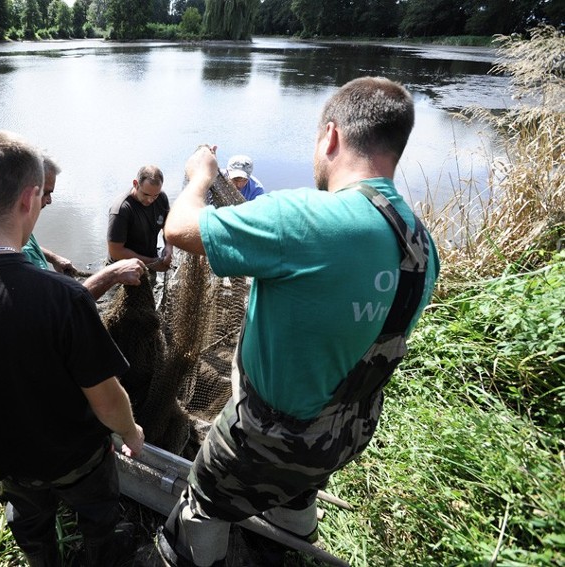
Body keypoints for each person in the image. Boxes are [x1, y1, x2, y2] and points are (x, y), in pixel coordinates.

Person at [155, 77, 440, 567]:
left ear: (331, 136)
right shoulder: (420, 242)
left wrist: (201, 175)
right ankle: (287, 547)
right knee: (299, 488)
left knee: (202, 499)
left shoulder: (303, 217)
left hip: (264, 437)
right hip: (346, 432)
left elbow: (178, 229)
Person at [0, 130, 145, 567]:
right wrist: (129, 432)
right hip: (78, 460)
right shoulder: (61, 297)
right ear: (30, 198)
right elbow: (106, 397)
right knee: (98, 518)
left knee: (30, 527)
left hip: (6, 462)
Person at [24, 153, 145, 299]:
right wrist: (112, 275)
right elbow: (62, 311)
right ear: (26, 192)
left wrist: (54, 258)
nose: (49, 201)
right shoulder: (18, 264)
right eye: (45, 193)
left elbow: (29, 243)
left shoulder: (17, 227)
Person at [107, 165, 173, 273]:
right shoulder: (121, 209)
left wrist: (168, 248)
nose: (150, 200)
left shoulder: (162, 198)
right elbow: (116, 251)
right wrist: (152, 262)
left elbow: (168, 226)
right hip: (121, 271)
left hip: (149, 264)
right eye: (145, 194)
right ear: (135, 184)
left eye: (155, 195)